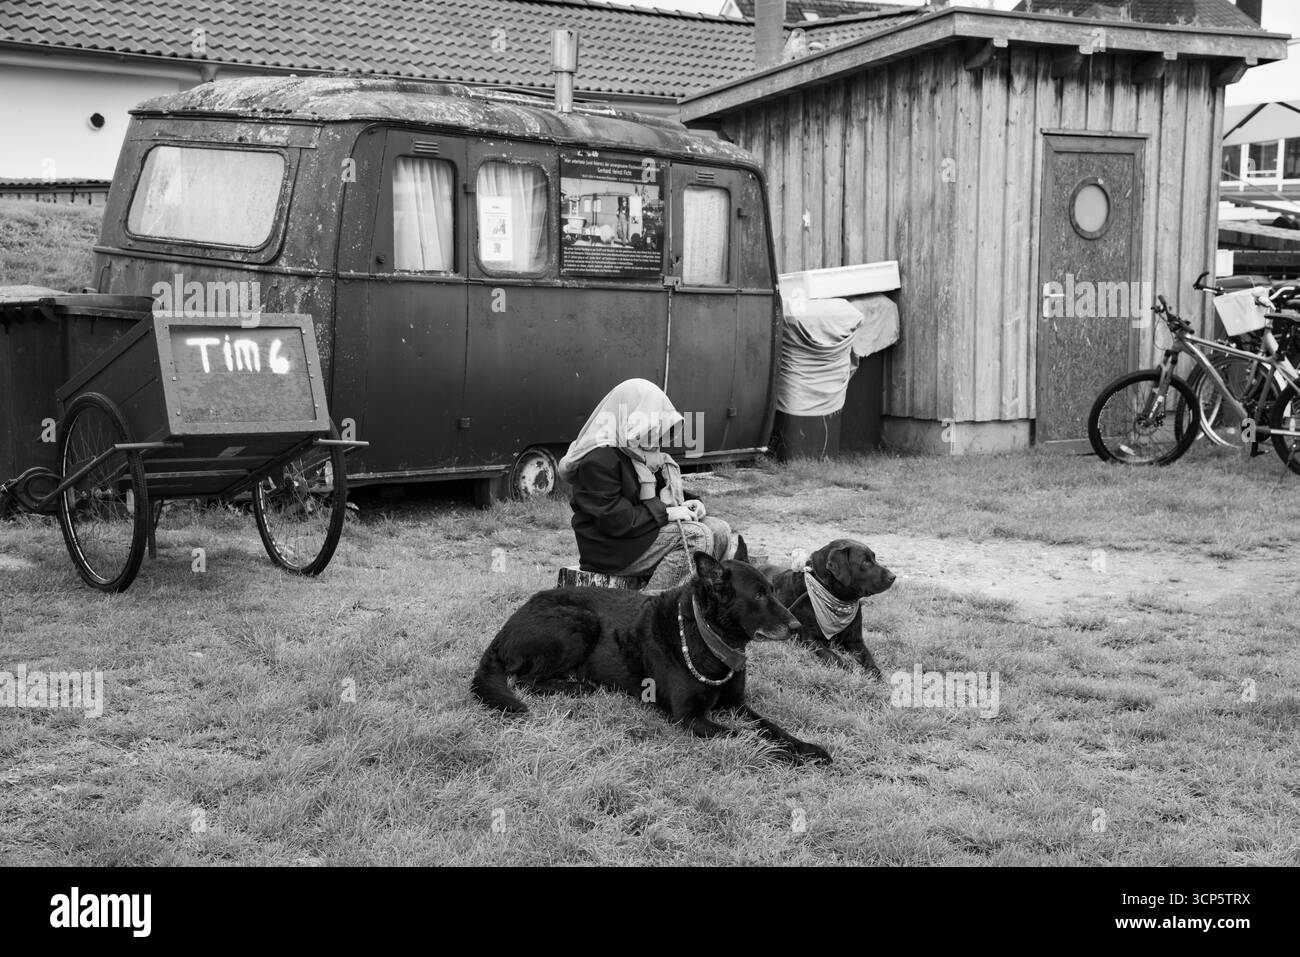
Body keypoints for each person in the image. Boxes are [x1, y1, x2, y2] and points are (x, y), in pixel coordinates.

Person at [558, 378, 733, 591]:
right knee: (697, 536)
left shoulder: (641, 452)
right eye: (651, 425)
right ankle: (651, 611)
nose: (655, 435)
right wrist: (668, 513)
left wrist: (689, 503)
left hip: (639, 535)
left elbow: (659, 494)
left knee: (719, 530)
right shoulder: (598, 459)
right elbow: (617, 521)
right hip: (612, 549)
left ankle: (703, 607)